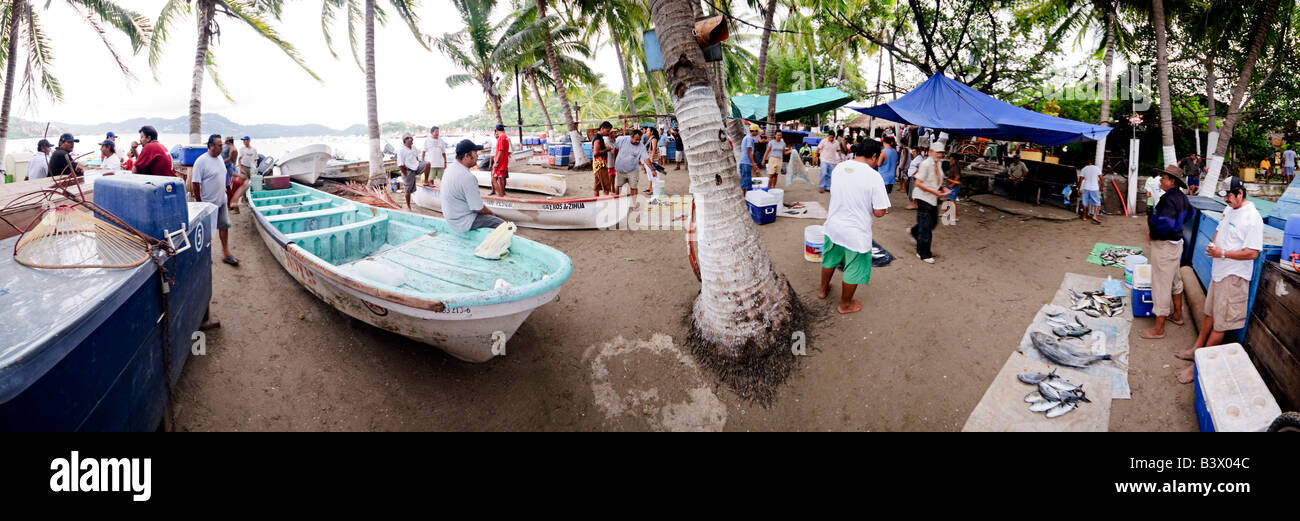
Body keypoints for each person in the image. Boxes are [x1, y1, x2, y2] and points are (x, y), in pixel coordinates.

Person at [1176, 176, 1262, 384]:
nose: (1227, 201)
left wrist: (1222, 253)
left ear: (1240, 193)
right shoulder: (1230, 209)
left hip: (1233, 277)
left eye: (1230, 197)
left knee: (1220, 325)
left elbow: (1252, 253)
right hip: (1219, 272)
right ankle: (1196, 350)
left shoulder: (1252, 217)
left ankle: (1197, 368)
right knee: (1209, 315)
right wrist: (1213, 246)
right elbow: (1219, 230)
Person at [818, 139, 891, 314]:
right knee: (854, 267)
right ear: (874, 156)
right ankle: (845, 304)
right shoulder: (874, 177)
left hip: (833, 226)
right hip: (856, 232)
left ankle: (822, 290)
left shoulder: (840, 167)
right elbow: (880, 211)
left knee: (829, 259)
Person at [1139, 165, 1191, 340]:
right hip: (1177, 244)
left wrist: (1153, 234)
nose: (1161, 179)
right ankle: (1177, 315)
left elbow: (1165, 225)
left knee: (1161, 284)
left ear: (1172, 181)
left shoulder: (1168, 199)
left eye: (1164, 177)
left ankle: (1159, 328)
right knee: (1175, 279)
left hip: (1165, 246)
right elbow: (1187, 216)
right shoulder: (1182, 197)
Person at [191, 134, 238, 267]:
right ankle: (205, 258)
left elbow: (222, 177)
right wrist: (200, 203)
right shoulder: (201, 161)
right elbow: (195, 183)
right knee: (207, 234)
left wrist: (227, 192)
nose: (222, 147)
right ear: (211, 146)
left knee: (224, 226)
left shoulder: (220, 159)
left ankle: (226, 253)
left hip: (221, 200)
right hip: (208, 204)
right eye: (219, 145)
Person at [442, 139, 504, 233]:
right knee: (503, 224)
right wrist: (492, 214)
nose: (477, 156)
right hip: (463, 222)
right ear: (467, 156)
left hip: (451, 218)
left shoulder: (449, 169)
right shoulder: (467, 177)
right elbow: (478, 208)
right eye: (475, 153)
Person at [910, 140, 951, 264]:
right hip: (924, 197)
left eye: (941, 153)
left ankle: (914, 231)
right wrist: (935, 192)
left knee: (932, 223)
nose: (940, 155)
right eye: (938, 152)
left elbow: (937, 179)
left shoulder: (938, 163)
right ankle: (924, 253)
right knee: (926, 227)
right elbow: (918, 183)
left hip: (933, 197)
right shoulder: (926, 164)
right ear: (931, 152)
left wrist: (942, 187)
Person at [611, 129, 651, 209]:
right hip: (620, 169)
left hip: (633, 170)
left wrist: (652, 169)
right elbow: (614, 148)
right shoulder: (621, 139)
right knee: (618, 186)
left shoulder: (641, 146)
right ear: (631, 137)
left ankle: (633, 204)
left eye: (639, 139)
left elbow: (646, 158)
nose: (638, 141)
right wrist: (614, 160)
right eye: (636, 139)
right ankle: (616, 203)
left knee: (633, 187)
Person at [396, 133, 429, 208]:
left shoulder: (413, 147)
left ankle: (426, 181)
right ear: (405, 140)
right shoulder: (401, 150)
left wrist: (417, 163)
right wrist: (405, 174)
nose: (412, 139)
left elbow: (416, 157)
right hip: (407, 170)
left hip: (416, 166)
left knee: (427, 164)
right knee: (408, 190)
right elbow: (400, 165)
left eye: (412, 138)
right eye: (410, 138)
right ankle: (408, 206)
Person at [591, 121, 614, 196]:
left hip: (597, 165)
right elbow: (596, 153)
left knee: (597, 186)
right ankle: (605, 204)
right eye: (607, 131)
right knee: (606, 187)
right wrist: (607, 149)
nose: (608, 133)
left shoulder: (598, 137)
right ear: (602, 128)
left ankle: (596, 202)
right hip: (600, 165)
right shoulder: (598, 139)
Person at [1078, 159, 1103, 224]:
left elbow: (1080, 180)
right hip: (1094, 188)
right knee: (1097, 202)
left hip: (1086, 188)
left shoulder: (1084, 169)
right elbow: (1101, 179)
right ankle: (1094, 216)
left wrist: (1078, 189)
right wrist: (1102, 187)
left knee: (1084, 202)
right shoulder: (1097, 168)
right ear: (1092, 162)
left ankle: (1084, 217)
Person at [490, 123, 510, 196]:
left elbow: (500, 150)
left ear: (497, 130)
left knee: (493, 179)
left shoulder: (501, 137)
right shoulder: (505, 137)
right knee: (500, 178)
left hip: (500, 162)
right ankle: (501, 194)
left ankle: (501, 195)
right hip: (504, 161)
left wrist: (496, 162)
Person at [739, 124, 759, 191]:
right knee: (746, 183)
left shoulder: (747, 137)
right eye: (757, 131)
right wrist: (753, 164)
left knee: (746, 181)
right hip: (746, 162)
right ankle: (745, 198)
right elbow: (749, 151)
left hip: (744, 162)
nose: (758, 133)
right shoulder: (749, 138)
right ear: (754, 131)